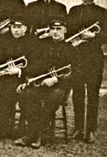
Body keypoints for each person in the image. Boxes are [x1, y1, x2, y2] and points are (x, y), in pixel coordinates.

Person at [15, 17, 75, 148]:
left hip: (60, 87)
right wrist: (27, 80)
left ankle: (39, 135)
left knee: (51, 99)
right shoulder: (43, 46)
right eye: (52, 29)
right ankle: (32, 133)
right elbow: (35, 66)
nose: (55, 32)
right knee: (27, 95)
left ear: (65, 30)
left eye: (58, 29)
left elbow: (76, 73)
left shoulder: (71, 49)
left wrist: (56, 79)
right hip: (43, 84)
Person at [67, 0, 107, 143]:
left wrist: (94, 36)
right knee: (77, 93)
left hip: (94, 58)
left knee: (92, 94)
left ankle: (90, 129)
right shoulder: (74, 11)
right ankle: (78, 127)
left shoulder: (103, 12)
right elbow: (68, 30)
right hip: (77, 57)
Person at [0, 14, 33, 140]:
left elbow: (36, 64)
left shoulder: (32, 43)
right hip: (3, 76)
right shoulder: (3, 41)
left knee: (8, 91)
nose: (16, 30)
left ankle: (8, 127)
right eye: (14, 27)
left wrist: (20, 70)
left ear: (25, 29)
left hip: (22, 78)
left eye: (19, 27)